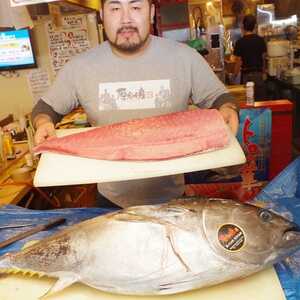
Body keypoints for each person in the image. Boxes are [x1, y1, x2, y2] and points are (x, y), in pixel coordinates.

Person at [31, 0, 239, 208]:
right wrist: (43, 122)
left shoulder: (185, 58)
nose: (126, 18)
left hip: (173, 200)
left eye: (136, 7)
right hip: (110, 202)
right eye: (115, 8)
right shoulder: (80, 67)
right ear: (102, 14)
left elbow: (219, 97)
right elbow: (46, 109)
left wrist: (228, 108)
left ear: (151, 12)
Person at [232, 14, 267, 100]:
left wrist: (234, 75)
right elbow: (263, 58)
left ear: (243, 26)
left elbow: (239, 62)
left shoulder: (240, 42)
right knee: (260, 101)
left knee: (248, 101)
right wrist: (264, 72)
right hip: (258, 75)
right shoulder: (260, 40)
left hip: (246, 76)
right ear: (255, 26)